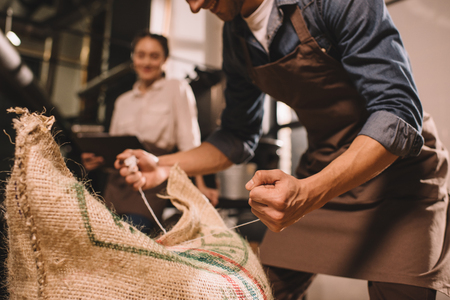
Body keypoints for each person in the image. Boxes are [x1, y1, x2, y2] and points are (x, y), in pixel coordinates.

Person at [115, 1, 450, 299]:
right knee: (267, 286)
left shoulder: (331, 4)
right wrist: (163, 165)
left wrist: (309, 193)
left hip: (401, 176)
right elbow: (236, 136)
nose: (194, 6)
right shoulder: (236, 38)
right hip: (323, 164)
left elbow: (397, 110)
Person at [82, 30, 218, 236]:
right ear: (133, 58)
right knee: (101, 236)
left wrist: (201, 186)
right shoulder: (122, 101)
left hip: (152, 179)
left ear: (165, 60)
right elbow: (114, 147)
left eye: (154, 56)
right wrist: (100, 160)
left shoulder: (176, 89)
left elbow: (189, 140)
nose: (146, 62)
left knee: (132, 235)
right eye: (141, 55)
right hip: (117, 183)